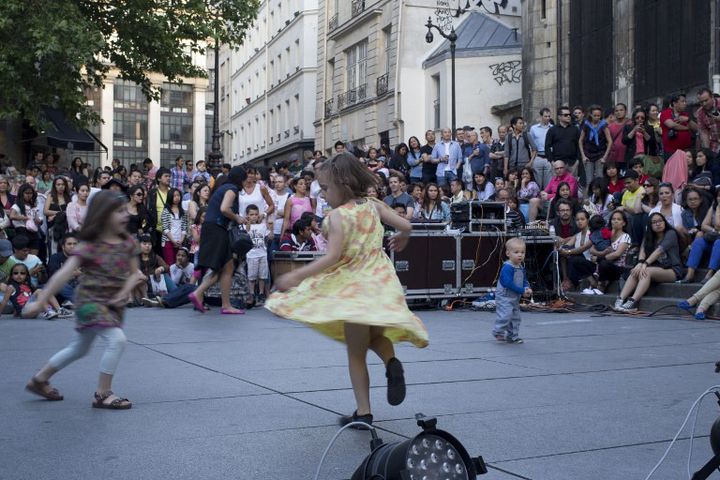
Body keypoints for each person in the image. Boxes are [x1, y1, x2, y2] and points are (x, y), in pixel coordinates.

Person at [266, 152, 429, 427]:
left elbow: (331, 257)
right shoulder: (374, 206)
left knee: (356, 353)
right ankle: (391, 362)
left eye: (326, 188)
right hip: (380, 282)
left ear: (343, 184)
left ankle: (363, 412)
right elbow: (407, 224)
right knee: (375, 335)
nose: (324, 194)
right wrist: (403, 237)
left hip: (354, 288)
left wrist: (295, 276)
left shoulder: (338, 217)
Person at [23, 191, 145, 409]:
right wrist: (42, 302)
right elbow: (63, 274)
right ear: (103, 215)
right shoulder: (89, 245)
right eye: (119, 211)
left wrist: (124, 291)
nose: (125, 215)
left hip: (111, 304)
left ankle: (40, 379)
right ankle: (102, 393)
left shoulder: (128, 243)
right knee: (117, 340)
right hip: (91, 302)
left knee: (79, 348)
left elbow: (136, 274)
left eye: (125, 210)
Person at [188, 166, 248, 315]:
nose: (247, 181)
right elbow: (224, 208)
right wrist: (237, 218)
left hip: (212, 228)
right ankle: (224, 304)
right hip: (217, 228)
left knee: (222, 268)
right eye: (246, 178)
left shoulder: (224, 187)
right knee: (226, 268)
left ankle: (201, 294)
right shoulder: (232, 189)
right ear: (240, 179)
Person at [613, 212, 685, 312]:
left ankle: (633, 302)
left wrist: (645, 264)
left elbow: (659, 251)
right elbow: (642, 250)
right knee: (636, 271)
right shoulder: (649, 236)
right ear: (650, 225)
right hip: (654, 268)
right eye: (654, 222)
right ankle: (620, 299)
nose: (658, 224)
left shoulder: (670, 233)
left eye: (660, 221)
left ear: (664, 222)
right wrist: (640, 263)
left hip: (672, 270)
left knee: (645, 271)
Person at [492, 237, 531, 344]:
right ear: (508, 253)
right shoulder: (507, 267)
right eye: (516, 252)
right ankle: (498, 331)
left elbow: (524, 280)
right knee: (506, 314)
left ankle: (512, 336)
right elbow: (507, 283)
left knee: (515, 317)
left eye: (522, 252)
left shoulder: (520, 267)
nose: (520, 255)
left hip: (515, 296)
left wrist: (527, 288)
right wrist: (521, 290)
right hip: (504, 296)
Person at [587, 211, 631, 294]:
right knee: (583, 262)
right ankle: (593, 284)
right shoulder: (606, 233)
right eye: (613, 219)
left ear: (624, 223)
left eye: (619, 219)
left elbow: (617, 254)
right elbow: (592, 249)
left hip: (617, 268)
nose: (615, 221)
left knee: (604, 263)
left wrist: (599, 258)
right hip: (602, 263)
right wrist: (601, 253)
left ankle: (600, 287)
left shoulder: (625, 236)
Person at [4, 263, 69, 319]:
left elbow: (23, 299)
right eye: (15, 273)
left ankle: (59, 310)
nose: (19, 275)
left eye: (22, 273)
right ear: (11, 276)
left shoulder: (28, 286)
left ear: (26, 276)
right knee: (39, 291)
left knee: (46, 291)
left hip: (31, 309)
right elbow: (4, 301)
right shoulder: (11, 287)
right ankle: (49, 311)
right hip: (25, 311)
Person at [682, 188, 720, 284]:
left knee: (718, 242)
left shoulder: (717, 208)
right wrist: (714, 231)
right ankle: (690, 274)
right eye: (719, 196)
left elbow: (718, 224)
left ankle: (710, 273)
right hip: (714, 238)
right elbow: (704, 226)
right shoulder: (713, 207)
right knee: (699, 241)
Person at [244, 204, 272, 307]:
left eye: (256, 214)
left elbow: (269, 237)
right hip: (251, 255)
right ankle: (251, 294)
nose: (254, 216)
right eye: (251, 215)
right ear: (247, 216)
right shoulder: (245, 225)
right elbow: (245, 233)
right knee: (252, 276)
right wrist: (247, 223)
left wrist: (270, 227)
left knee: (262, 276)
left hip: (262, 254)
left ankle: (260, 294)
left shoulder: (262, 225)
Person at [579, 105, 612, 184]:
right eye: (595, 115)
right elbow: (580, 141)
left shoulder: (603, 125)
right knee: (589, 180)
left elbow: (610, 141)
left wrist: (604, 157)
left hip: (600, 154)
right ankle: (590, 196)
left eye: (599, 116)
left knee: (599, 178)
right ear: (591, 115)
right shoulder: (586, 125)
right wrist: (583, 156)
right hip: (588, 155)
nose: (597, 117)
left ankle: (600, 196)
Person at [545, 106, 581, 177]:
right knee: (557, 186)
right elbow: (547, 146)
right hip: (557, 164)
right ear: (559, 117)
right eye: (565, 115)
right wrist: (552, 162)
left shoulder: (575, 129)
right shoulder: (552, 130)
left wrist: (577, 161)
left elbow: (579, 145)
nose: (568, 116)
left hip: (572, 163)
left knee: (572, 186)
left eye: (569, 115)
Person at [47, 233, 79, 306]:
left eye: (75, 244)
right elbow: (54, 277)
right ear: (63, 247)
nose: (72, 246)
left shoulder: (81, 258)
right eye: (69, 244)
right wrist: (73, 274)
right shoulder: (55, 258)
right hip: (61, 290)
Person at [10, 183, 42, 255]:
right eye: (26, 193)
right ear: (22, 193)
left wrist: (39, 220)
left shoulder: (33, 206)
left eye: (31, 193)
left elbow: (37, 218)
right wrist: (22, 217)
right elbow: (11, 216)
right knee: (24, 256)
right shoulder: (16, 205)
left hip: (34, 232)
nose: (29, 195)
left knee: (34, 256)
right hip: (22, 231)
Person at [160, 188, 188, 265]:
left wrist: (181, 240)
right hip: (168, 241)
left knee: (180, 263)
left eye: (178, 195)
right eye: (174, 195)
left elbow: (185, 227)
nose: (176, 197)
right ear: (170, 197)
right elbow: (165, 229)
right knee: (170, 263)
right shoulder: (166, 211)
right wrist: (173, 241)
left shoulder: (183, 211)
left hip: (180, 241)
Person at [44, 176, 71, 256]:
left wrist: (55, 215)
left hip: (66, 227)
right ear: (54, 186)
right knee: (54, 251)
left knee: (65, 250)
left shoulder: (68, 196)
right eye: (58, 184)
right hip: (53, 228)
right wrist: (60, 213)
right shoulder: (50, 196)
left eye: (63, 184)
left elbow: (70, 212)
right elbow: (46, 211)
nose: (60, 187)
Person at [528, 108, 554, 189]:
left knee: (549, 183)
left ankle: (547, 201)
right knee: (537, 183)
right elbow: (531, 145)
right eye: (545, 116)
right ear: (541, 117)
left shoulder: (553, 128)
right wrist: (532, 159)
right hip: (538, 157)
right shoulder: (533, 128)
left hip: (549, 158)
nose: (547, 118)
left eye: (549, 116)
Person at [696, 88, 720, 154]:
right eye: (701, 102)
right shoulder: (700, 112)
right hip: (715, 146)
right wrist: (707, 150)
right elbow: (704, 132)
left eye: (706, 100)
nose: (704, 103)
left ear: (712, 97)